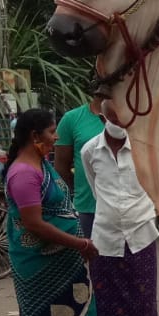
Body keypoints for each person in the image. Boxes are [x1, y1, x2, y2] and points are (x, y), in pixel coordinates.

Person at [5, 109, 104, 316]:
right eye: (50, 132)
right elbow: (34, 224)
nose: (56, 137)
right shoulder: (23, 173)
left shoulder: (40, 166)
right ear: (34, 137)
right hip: (40, 268)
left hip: (64, 262)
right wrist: (79, 243)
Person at [80, 118, 159, 316]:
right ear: (104, 118)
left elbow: (154, 183)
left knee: (142, 303)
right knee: (106, 304)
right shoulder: (90, 151)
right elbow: (94, 188)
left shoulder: (144, 147)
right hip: (106, 236)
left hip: (141, 233)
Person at [55, 98, 106, 237]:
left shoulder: (134, 117)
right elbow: (61, 167)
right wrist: (80, 188)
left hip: (130, 209)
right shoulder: (71, 119)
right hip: (88, 208)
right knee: (93, 256)